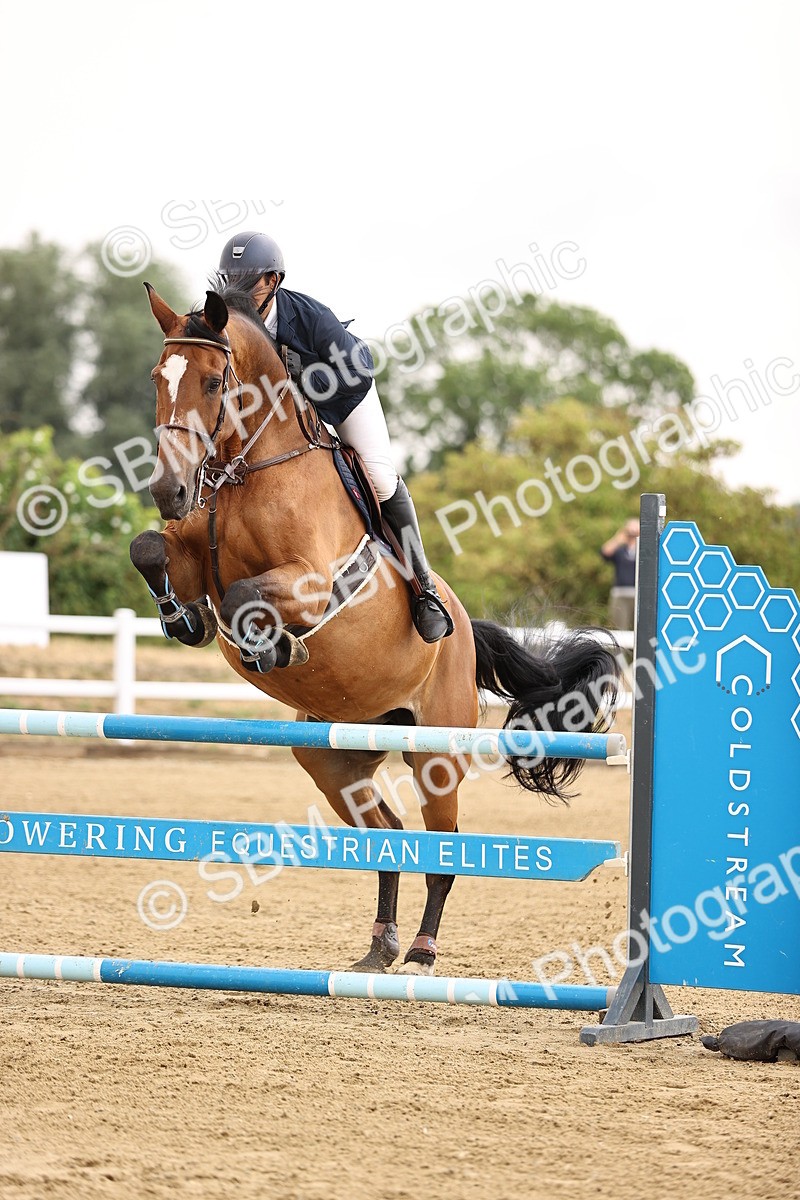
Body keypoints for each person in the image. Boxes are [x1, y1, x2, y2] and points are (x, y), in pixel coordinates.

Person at [215, 231, 453, 643]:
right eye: (229, 281)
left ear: (273, 281)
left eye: (246, 283)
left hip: (344, 397)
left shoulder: (310, 318)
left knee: (380, 478)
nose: (236, 292)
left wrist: (305, 382)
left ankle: (424, 589)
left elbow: (360, 366)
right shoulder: (228, 321)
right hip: (275, 419)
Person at [600, 518, 640, 630]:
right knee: (618, 628)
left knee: (640, 629)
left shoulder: (644, 550)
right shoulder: (620, 550)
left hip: (639, 593)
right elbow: (605, 552)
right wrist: (619, 538)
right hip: (620, 592)